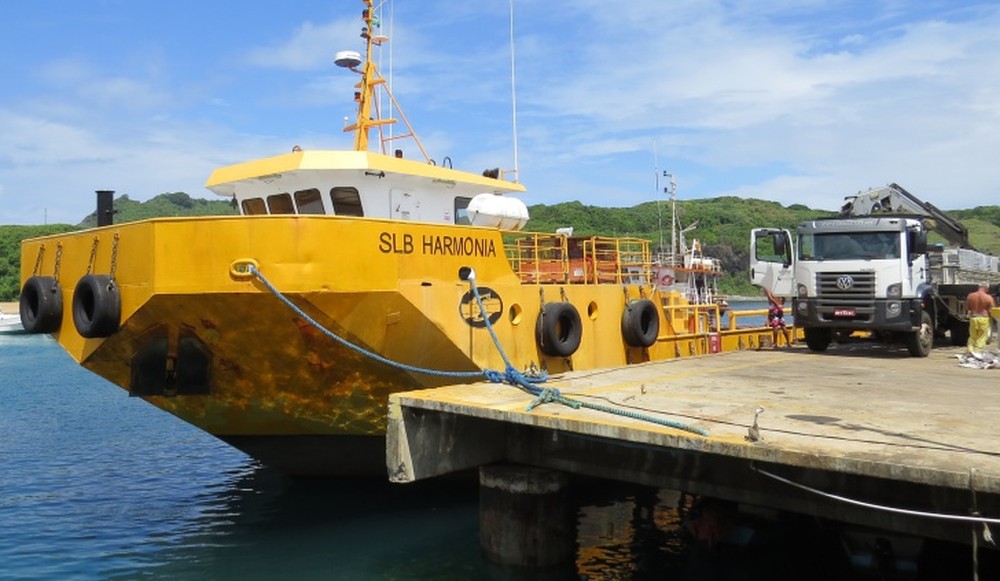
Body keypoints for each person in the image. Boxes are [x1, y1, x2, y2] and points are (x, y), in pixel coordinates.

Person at [966, 282, 996, 358]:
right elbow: (991, 310)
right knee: (982, 337)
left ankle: (970, 351)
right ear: (986, 288)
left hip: (973, 318)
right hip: (983, 318)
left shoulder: (970, 296)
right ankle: (977, 353)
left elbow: (967, 308)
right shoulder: (988, 297)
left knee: (972, 336)